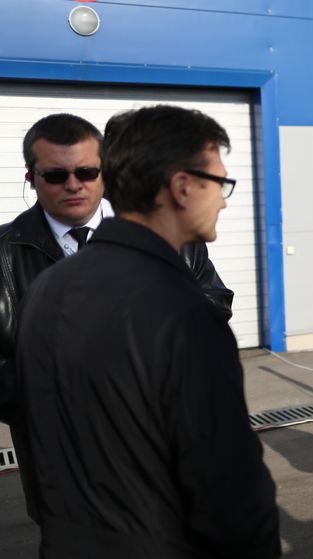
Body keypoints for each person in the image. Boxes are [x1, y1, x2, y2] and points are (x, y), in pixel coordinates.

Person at [14, 105, 280, 559]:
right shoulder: (183, 311)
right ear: (181, 187)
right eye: (220, 183)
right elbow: (228, 490)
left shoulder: (48, 288)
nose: (224, 202)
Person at [0, 113, 234, 521]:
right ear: (31, 178)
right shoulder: (4, 254)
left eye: (87, 172)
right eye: (56, 175)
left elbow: (214, 301)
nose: (74, 184)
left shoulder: (167, 231)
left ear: (105, 171)